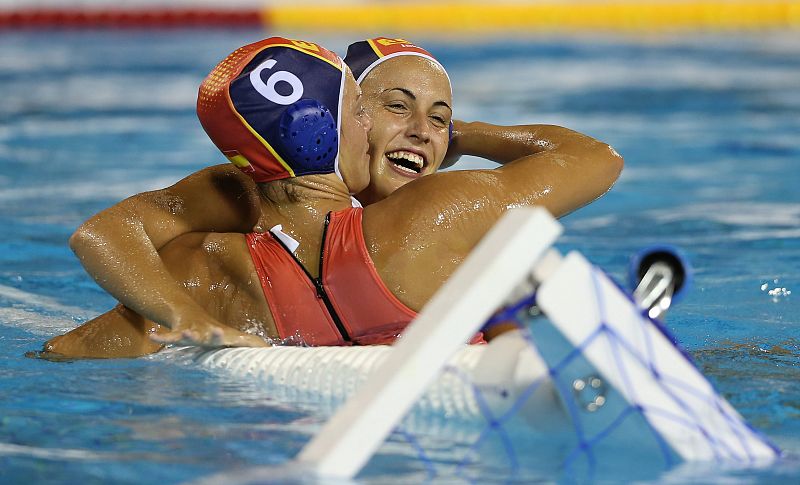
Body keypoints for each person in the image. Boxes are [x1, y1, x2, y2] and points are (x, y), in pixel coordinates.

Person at [43, 37, 623, 358]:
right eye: (383, 108)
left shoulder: (204, 266)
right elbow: (598, 160)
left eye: (439, 118)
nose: (422, 130)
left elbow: (65, 354)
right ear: (341, 123)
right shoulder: (448, 209)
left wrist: (446, 131)